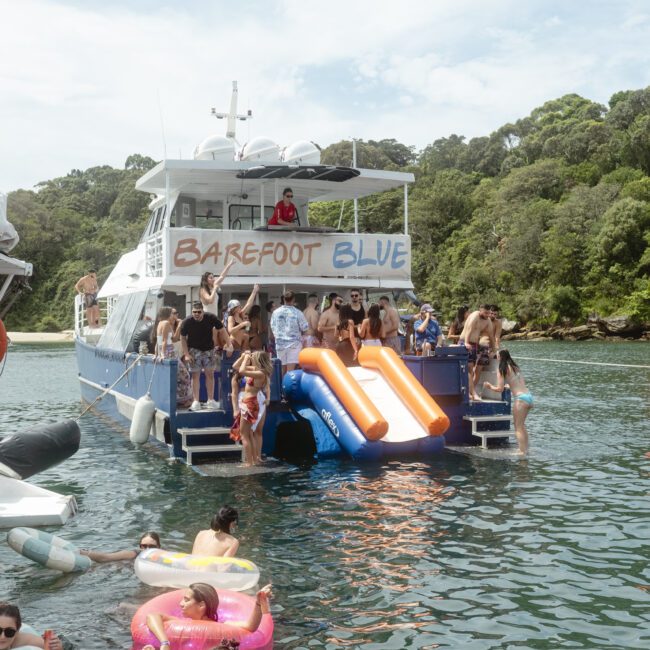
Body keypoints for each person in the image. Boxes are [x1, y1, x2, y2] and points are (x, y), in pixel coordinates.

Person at [142, 582, 273, 649]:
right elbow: (152, 616)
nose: (181, 603)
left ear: (201, 606)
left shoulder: (223, 627)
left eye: (186, 600)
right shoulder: (181, 623)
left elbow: (251, 627)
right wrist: (165, 643)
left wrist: (258, 603)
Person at [180, 302, 231, 411]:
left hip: (209, 349)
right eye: (194, 312)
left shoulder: (211, 317)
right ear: (192, 312)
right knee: (195, 376)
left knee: (210, 374)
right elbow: (183, 338)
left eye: (199, 312)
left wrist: (229, 344)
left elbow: (222, 330)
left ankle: (211, 400)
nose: (196, 314)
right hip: (194, 350)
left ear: (203, 311)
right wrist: (186, 354)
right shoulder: (187, 321)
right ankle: (196, 401)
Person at [483, 349, 532, 455]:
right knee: (522, 425)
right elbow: (519, 382)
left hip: (520, 399)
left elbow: (499, 389)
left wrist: (489, 386)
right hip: (529, 397)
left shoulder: (502, 369)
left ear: (500, 357)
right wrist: (509, 385)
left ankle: (522, 452)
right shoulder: (515, 367)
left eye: (497, 356)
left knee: (518, 427)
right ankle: (526, 449)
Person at [229, 351, 272, 466]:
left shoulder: (261, 373)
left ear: (258, 360)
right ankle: (252, 460)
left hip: (250, 403)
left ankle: (248, 463)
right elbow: (236, 367)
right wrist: (243, 357)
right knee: (249, 434)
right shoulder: (256, 370)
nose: (251, 358)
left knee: (244, 434)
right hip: (248, 403)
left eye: (253, 357)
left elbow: (242, 371)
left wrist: (246, 359)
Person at [152, 307, 193, 408]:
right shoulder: (166, 323)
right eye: (172, 314)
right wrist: (162, 354)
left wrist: (156, 354)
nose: (173, 316)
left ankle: (179, 399)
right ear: (168, 314)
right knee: (186, 376)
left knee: (175, 378)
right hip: (170, 354)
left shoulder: (159, 324)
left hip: (166, 353)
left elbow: (160, 341)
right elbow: (168, 340)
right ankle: (184, 400)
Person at [459, 304, 497, 401]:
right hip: (465, 342)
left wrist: (495, 350)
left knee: (471, 370)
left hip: (474, 345)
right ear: (480, 310)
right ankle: (472, 393)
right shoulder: (475, 315)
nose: (487, 315)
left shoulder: (487, 320)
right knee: (469, 368)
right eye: (485, 312)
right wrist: (466, 343)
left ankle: (469, 392)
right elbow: (469, 329)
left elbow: (491, 336)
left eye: (489, 313)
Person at [270, 291, 308, 375]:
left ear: (283, 299)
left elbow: (273, 326)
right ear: (293, 299)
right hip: (294, 344)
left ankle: (281, 387)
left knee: (282, 371)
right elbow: (304, 328)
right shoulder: (298, 312)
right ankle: (287, 388)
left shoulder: (275, 312)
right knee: (290, 371)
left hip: (280, 344)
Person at [80, 532, 161, 563]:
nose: (147, 549)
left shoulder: (165, 556)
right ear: (140, 546)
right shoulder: (133, 554)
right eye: (143, 546)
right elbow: (105, 557)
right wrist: (81, 552)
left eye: (151, 546)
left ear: (159, 547)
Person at [227, 285, 260, 351]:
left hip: (244, 343)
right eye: (239, 306)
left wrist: (254, 291)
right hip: (235, 342)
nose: (241, 307)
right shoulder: (231, 318)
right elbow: (230, 330)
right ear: (234, 308)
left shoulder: (241, 315)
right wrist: (242, 324)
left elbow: (248, 304)